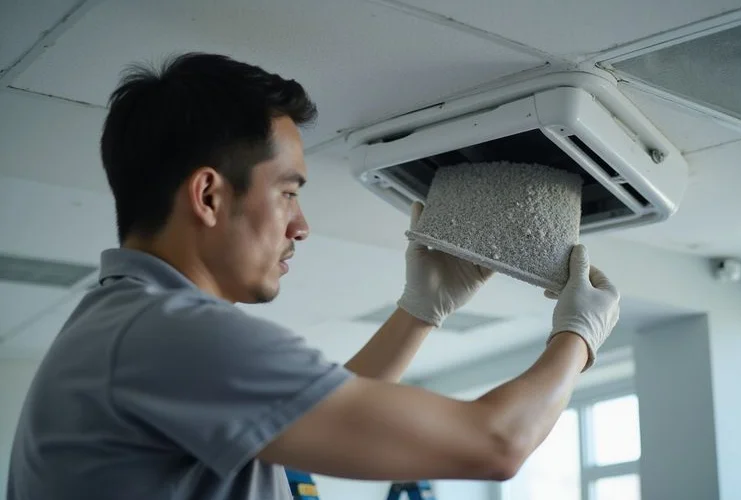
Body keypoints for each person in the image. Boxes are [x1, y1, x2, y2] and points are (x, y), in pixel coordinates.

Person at [6, 52, 620, 500]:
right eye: (288, 192)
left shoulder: (128, 330)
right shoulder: (168, 334)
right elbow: (494, 444)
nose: (301, 226)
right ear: (209, 196)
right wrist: (579, 338)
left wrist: (418, 312)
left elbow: (321, 414)